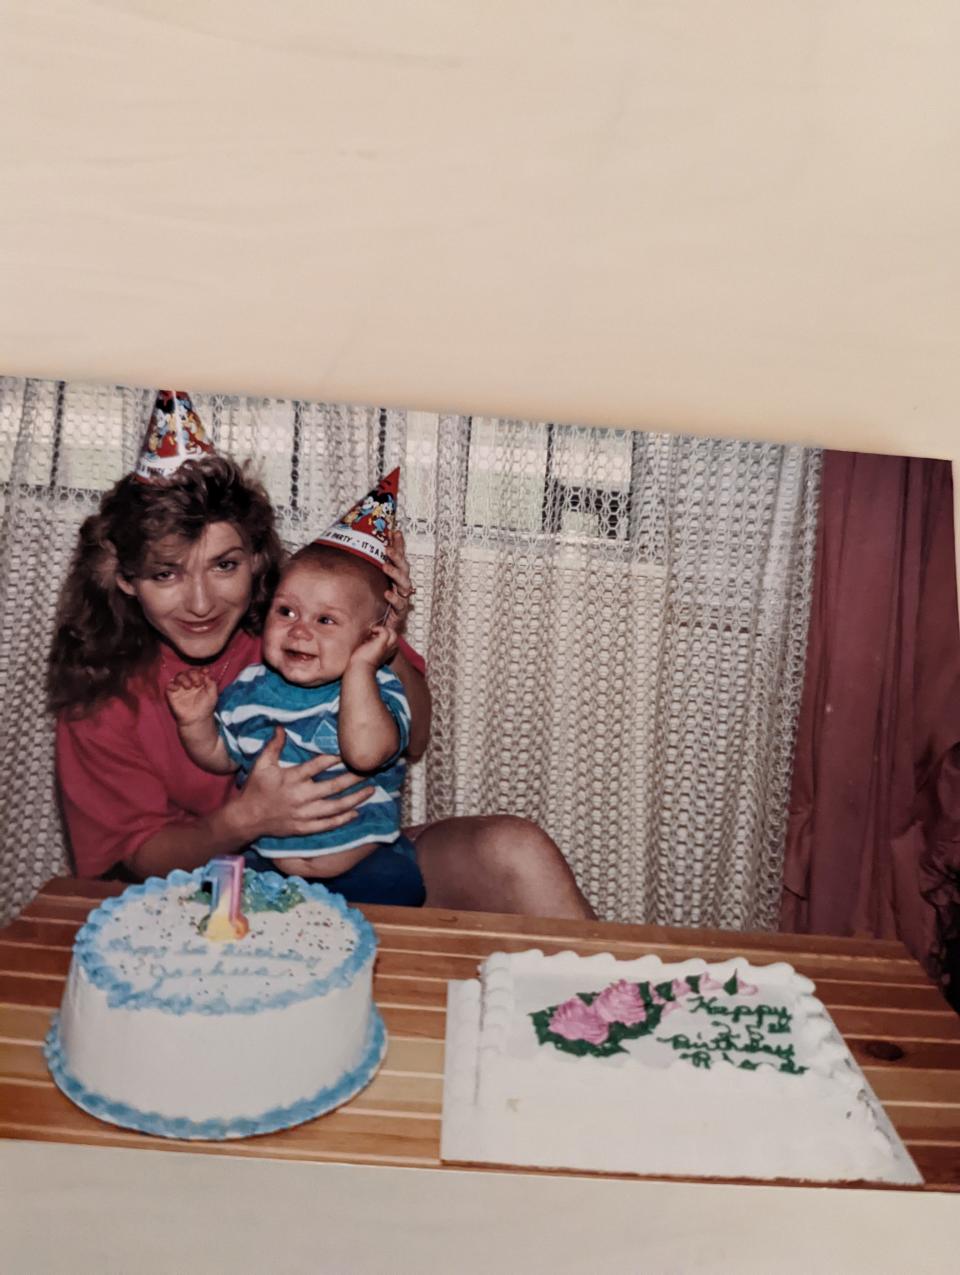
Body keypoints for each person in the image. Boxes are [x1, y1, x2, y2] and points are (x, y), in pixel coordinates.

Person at [48, 412, 593, 918]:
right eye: (166, 574)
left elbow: (416, 738)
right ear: (124, 579)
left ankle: (613, 1008)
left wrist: (381, 639)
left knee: (517, 849)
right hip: (203, 891)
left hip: (354, 859)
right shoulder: (103, 693)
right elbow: (141, 858)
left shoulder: (297, 625)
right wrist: (248, 818)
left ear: (256, 559)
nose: (200, 603)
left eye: (224, 565)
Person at [167, 541, 424, 904]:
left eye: (325, 620)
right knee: (214, 897)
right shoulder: (248, 689)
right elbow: (222, 757)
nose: (300, 631)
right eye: (286, 612)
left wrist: (362, 667)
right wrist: (194, 722)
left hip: (369, 869)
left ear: (370, 637)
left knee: (397, 902)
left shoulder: (379, 688)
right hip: (268, 866)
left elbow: (366, 755)